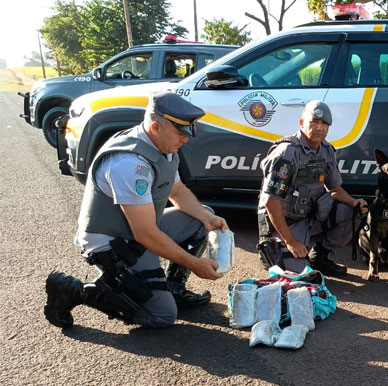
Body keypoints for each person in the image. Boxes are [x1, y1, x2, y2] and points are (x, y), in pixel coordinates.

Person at [44, 91, 227, 329]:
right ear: (155, 127)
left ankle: (173, 289)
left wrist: (207, 218)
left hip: (137, 229)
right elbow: (146, 234)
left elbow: (177, 191)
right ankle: (72, 291)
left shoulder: (163, 146)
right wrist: (194, 263)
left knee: (201, 217)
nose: (186, 139)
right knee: (162, 316)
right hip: (112, 242)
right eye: (181, 132)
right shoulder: (130, 164)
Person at [257, 100, 368, 276]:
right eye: (314, 121)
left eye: (324, 124)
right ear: (302, 123)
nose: (319, 127)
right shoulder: (287, 153)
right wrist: (291, 241)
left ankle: (320, 257)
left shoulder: (327, 151)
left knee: (353, 212)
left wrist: (355, 203)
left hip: (312, 217)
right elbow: (271, 202)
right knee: (302, 277)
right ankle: (274, 250)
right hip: (286, 224)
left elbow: (335, 190)